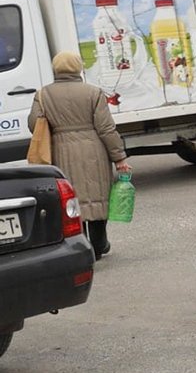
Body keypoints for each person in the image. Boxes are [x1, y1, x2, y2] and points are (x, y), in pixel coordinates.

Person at [28, 51, 131, 260]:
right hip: (94, 150)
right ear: (78, 68)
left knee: (71, 200)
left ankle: (81, 246)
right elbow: (106, 129)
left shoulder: (42, 95)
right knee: (97, 196)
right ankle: (100, 243)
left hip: (60, 150)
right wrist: (119, 158)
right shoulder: (93, 93)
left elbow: (33, 125)